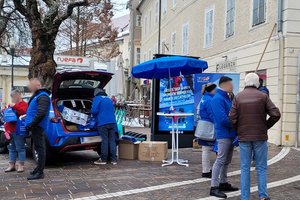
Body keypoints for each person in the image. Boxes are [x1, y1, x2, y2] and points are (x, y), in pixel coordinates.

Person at [229, 73, 281, 200]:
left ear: (245, 83)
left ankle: (245, 197)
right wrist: (265, 126)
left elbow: (232, 117)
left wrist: (239, 129)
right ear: (257, 83)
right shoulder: (263, 96)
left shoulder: (238, 97)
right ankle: (263, 196)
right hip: (260, 136)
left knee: (245, 168)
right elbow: (276, 114)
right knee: (261, 167)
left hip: (244, 137)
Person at [209, 76, 238, 198]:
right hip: (224, 134)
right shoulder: (218, 99)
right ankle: (214, 186)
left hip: (230, 133)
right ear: (224, 84)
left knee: (226, 161)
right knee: (220, 160)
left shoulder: (227, 97)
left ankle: (223, 182)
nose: (232, 86)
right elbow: (222, 119)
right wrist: (236, 123)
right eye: (231, 84)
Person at [25, 78, 51, 180]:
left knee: (40, 149)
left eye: (31, 85)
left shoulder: (43, 96)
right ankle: (38, 168)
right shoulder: (38, 96)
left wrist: (32, 124)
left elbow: (41, 112)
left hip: (37, 126)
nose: (29, 87)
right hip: (35, 126)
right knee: (38, 147)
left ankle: (40, 172)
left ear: (38, 86)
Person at [91, 88, 117, 165]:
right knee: (112, 141)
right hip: (112, 122)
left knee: (105, 140)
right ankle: (113, 160)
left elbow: (93, 111)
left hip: (103, 123)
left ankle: (103, 159)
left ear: (96, 94)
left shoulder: (97, 98)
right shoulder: (108, 99)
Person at [4, 90, 28, 173]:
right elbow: (7, 118)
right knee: (11, 148)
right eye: (12, 97)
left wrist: (14, 106)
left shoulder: (24, 104)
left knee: (20, 148)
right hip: (11, 130)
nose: (13, 99)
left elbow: (24, 112)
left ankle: (21, 165)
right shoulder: (11, 105)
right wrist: (6, 129)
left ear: (19, 96)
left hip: (19, 130)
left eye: (14, 96)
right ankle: (11, 165)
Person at [197, 83, 217, 178]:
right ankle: (207, 170)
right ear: (211, 90)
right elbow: (212, 114)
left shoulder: (204, 98)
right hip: (210, 125)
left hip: (203, 125)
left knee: (205, 150)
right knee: (208, 150)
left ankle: (206, 170)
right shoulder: (210, 100)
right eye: (215, 89)